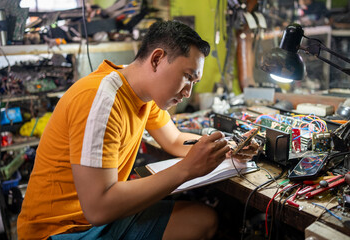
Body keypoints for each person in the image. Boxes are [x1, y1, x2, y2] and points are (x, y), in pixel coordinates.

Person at [17, 20, 231, 240]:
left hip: (96, 218)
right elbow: (97, 209)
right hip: (62, 230)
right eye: (187, 77)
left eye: (194, 82)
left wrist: (226, 147)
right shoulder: (101, 101)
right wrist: (186, 169)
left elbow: (175, 140)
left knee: (203, 220)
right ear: (157, 59)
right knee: (203, 221)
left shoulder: (144, 95)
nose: (188, 92)